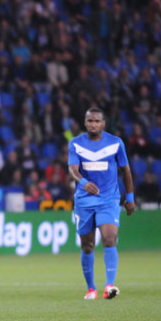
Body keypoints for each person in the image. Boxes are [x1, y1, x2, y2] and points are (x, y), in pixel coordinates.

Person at [67, 107, 135, 300]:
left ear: (103, 123)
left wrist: (129, 198)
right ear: (85, 123)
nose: (93, 124)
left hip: (109, 199)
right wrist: (83, 183)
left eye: (97, 121)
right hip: (84, 200)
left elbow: (126, 171)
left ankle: (109, 286)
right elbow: (72, 169)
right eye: (90, 121)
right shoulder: (76, 144)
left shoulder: (115, 143)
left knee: (109, 238)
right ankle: (91, 288)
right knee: (87, 246)